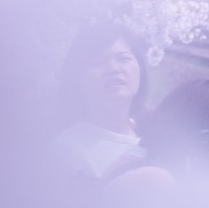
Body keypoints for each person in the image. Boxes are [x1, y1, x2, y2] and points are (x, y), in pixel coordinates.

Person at [50, 25, 150, 181]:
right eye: (98, 62)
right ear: (77, 77)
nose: (113, 69)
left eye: (123, 59)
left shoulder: (155, 132)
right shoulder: (69, 149)